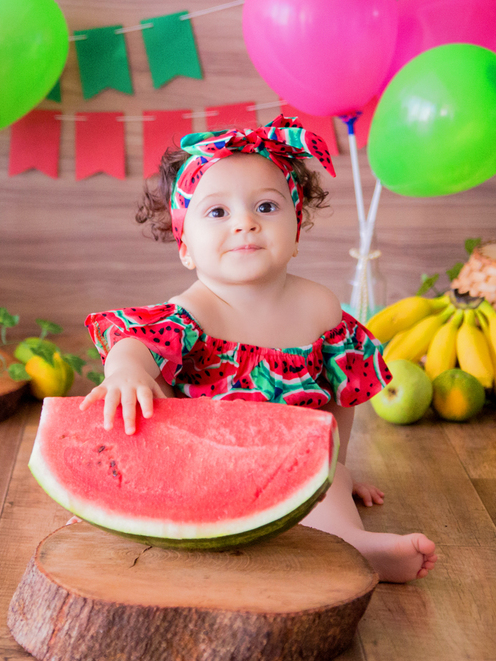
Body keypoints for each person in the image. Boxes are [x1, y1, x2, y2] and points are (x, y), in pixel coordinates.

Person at [80, 116, 437, 583]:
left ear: (297, 229)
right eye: (217, 213)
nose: (246, 223)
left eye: (266, 207)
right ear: (185, 247)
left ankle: (355, 548)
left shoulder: (320, 310)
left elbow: (337, 400)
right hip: (202, 468)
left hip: (291, 465)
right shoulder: (191, 313)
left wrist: (337, 470)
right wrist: (125, 371)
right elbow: (136, 341)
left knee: (327, 492)